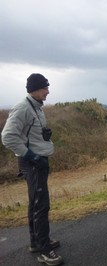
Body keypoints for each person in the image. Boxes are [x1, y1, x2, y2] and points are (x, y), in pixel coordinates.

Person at [1, 73, 63, 265]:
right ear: (34, 89)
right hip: (32, 163)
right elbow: (8, 137)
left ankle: (36, 242)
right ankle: (44, 251)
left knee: (35, 203)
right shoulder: (22, 108)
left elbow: (30, 133)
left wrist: (43, 137)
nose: (48, 91)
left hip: (38, 161)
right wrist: (32, 156)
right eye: (45, 88)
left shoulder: (36, 106)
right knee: (41, 204)